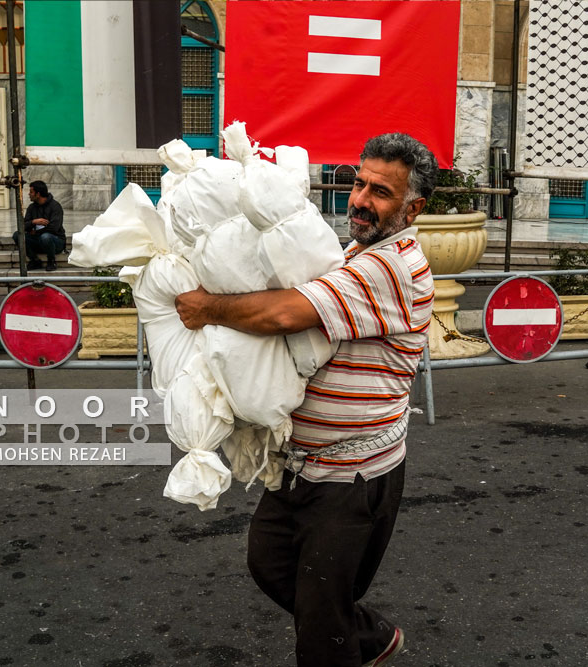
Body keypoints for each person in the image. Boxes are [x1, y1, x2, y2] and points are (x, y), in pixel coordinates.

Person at [175, 132, 437, 667]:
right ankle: (369, 638)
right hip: (298, 466)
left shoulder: (391, 267)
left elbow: (283, 314)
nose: (360, 199)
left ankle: (345, 642)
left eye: (380, 192)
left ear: (414, 208)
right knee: (270, 564)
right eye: (357, 182)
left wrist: (207, 309)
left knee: (320, 631)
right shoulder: (352, 253)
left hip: (352, 476)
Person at [13, 180, 65, 271]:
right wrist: (33, 222)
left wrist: (36, 232)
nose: (29, 194)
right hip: (38, 240)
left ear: (38, 194)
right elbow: (23, 226)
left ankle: (51, 261)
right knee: (17, 235)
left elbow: (54, 228)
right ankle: (35, 261)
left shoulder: (55, 207)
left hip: (56, 242)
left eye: (31, 192)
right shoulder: (31, 207)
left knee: (46, 237)